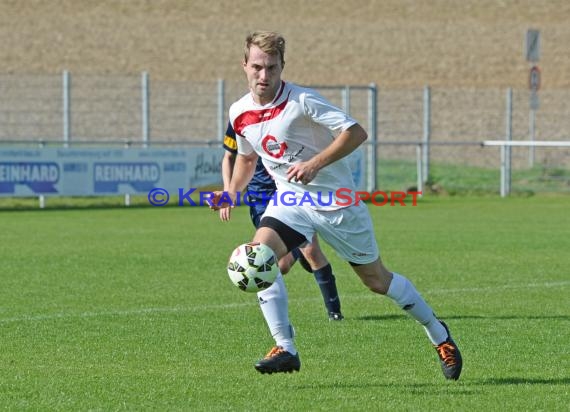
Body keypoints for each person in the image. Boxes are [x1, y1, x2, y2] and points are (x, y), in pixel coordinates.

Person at [210, 30, 462, 380]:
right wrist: (231, 192)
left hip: (337, 202)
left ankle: (439, 333)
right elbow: (247, 160)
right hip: (291, 199)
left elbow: (356, 133)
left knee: (377, 281)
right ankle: (286, 347)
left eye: (271, 67)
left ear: (283, 66)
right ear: (244, 66)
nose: (263, 76)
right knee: (259, 259)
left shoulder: (303, 101)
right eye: (257, 67)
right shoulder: (239, 111)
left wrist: (315, 164)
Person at [220, 121, 344, 321]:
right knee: (282, 265)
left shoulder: (288, 113)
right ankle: (296, 248)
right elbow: (229, 157)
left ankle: (335, 314)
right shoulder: (241, 118)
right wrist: (228, 192)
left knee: (312, 251)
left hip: (291, 192)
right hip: (261, 198)